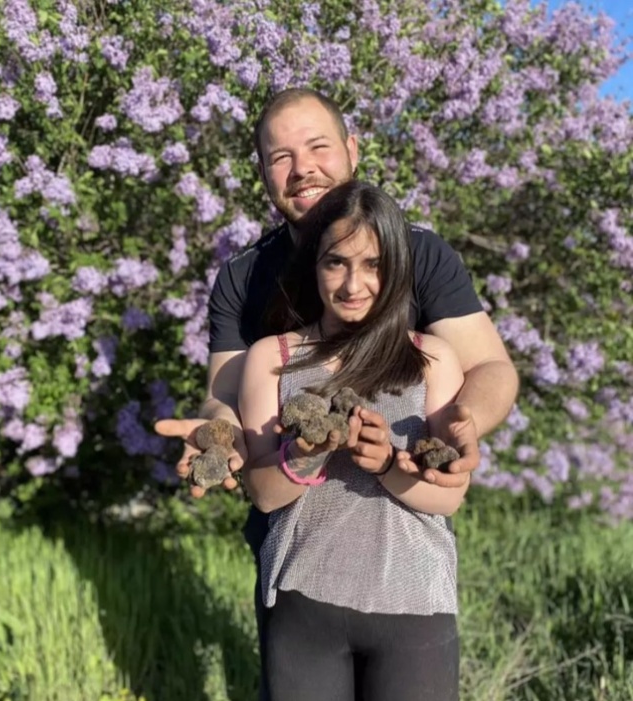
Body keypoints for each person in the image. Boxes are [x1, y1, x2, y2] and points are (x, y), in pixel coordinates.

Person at [155, 87, 518, 697]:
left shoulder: (419, 253)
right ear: (263, 172)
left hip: (407, 566)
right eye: (281, 157)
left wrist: (460, 426)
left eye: (318, 147)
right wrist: (222, 435)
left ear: (352, 149)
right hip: (300, 558)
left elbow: (490, 368)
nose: (302, 169)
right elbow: (225, 398)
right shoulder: (244, 278)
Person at [240, 179, 466, 701]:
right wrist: (304, 454)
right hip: (304, 602)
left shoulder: (432, 359)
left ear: (398, 268)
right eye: (335, 263)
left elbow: (450, 496)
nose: (352, 284)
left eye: (373, 264)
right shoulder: (273, 358)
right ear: (314, 266)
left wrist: (386, 464)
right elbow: (263, 494)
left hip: (416, 605)